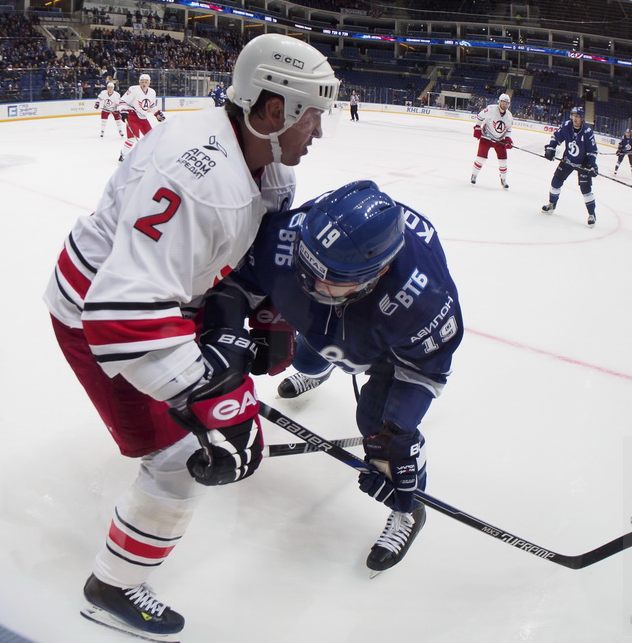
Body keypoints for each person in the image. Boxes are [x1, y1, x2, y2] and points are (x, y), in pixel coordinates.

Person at [44, 34, 339, 641]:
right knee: (179, 458)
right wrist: (214, 398)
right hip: (97, 313)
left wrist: (263, 319)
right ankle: (112, 587)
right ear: (274, 109)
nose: (318, 132)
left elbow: (256, 258)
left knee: (200, 428)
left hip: (166, 297)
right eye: (312, 116)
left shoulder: (264, 162)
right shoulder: (203, 180)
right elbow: (119, 314)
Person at [207, 180, 463, 574]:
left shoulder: (422, 300)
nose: (307, 281)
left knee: (380, 432)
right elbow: (240, 284)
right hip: (336, 323)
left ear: (375, 275)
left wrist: (395, 435)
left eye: (327, 277)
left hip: (383, 346)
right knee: (306, 361)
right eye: (304, 263)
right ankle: (323, 365)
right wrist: (224, 336)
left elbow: (423, 372)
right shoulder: (288, 238)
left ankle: (410, 510)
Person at [541, 106, 598, 227]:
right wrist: (551, 148)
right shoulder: (567, 125)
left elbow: (592, 151)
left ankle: (592, 214)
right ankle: (552, 204)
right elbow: (556, 137)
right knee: (555, 182)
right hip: (568, 160)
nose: (575, 119)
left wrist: (592, 165)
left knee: (586, 189)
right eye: (573, 116)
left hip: (582, 164)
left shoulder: (588, 133)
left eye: (577, 117)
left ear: (582, 118)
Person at [117, 73, 164, 162]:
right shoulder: (133, 89)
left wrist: (157, 114)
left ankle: (150, 155)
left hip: (143, 117)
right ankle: (123, 155)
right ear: (139, 82)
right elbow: (122, 101)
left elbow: (151, 105)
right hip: (132, 115)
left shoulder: (152, 92)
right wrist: (123, 112)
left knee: (150, 137)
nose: (144, 83)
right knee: (131, 138)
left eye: (146, 82)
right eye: (142, 81)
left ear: (149, 82)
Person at [470, 93, 513, 189]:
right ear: (499, 102)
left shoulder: (509, 116)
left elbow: (508, 130)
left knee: (503, 162)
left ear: (508, 104)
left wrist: (508, 139)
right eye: (502, 102)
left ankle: (503, 179)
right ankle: (474, 175)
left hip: (499, 140)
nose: (504, 104)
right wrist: (477, 128)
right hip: (487, 138)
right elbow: (479, 117)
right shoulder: (491, 109)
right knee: (481, 159)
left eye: (506, 103)